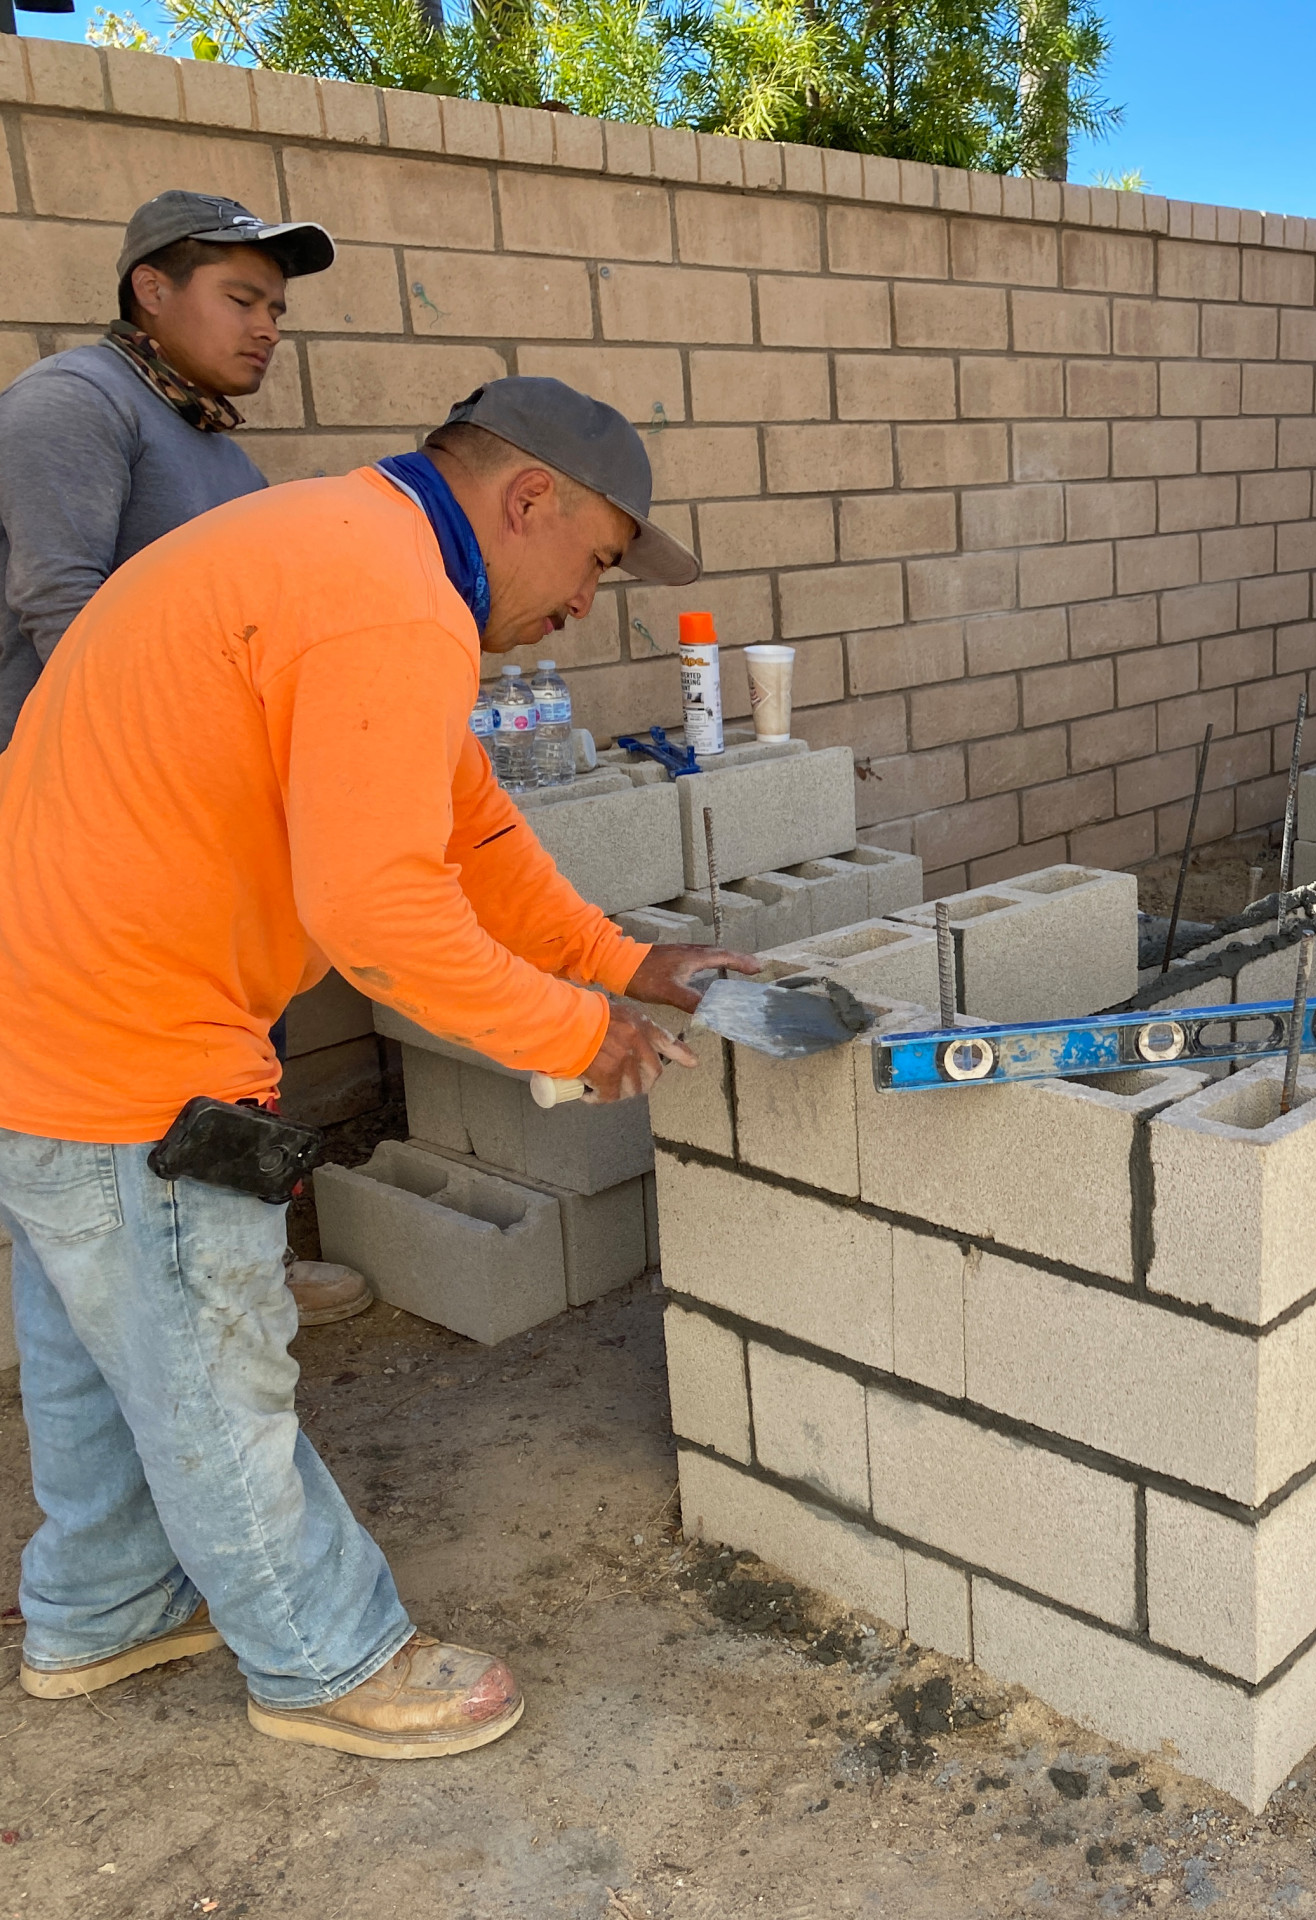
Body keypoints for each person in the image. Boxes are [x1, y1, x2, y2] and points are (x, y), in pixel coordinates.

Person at [0, 376, 754, 1757]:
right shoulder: (388, 599)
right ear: (529, 499)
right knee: (211, 1375)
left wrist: (627, 962)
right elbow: (380, 913)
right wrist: (582, 1038)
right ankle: (324, 1661)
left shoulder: (342, 552)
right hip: (134, 1043)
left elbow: (468, 839)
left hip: (47, 1020)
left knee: (102, 1350)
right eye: (593, 561)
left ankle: (101, 1610)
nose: (588, 601)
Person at [0, 189, 374, 1331]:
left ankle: (238, 1258)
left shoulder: (208, 441)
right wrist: (168, 792)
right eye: (242, 297)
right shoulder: (70, 406)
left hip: (189, 809)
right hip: (91, 812)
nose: (267, 326)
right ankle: (142, 1290)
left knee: (231, 1039)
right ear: (150, 291)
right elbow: (65, 610)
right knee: (120, 1073)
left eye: (276, 307)